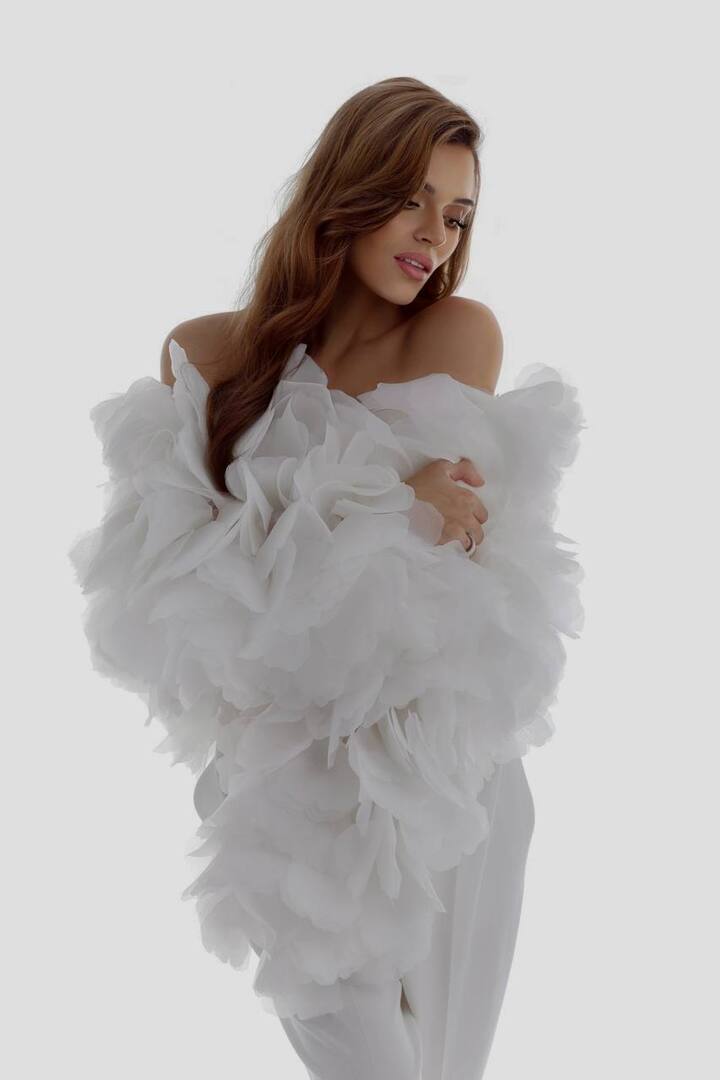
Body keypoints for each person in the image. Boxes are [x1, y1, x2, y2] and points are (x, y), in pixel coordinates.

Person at [68, 77, 584, 1079]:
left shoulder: (455, 335)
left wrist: (331, 528)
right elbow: (175, 596)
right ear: (349, 189)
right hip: (279, 781)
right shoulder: (203, 355)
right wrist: (393, 505)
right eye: (412, 199)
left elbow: (428, 589)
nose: (434, 234)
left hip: (442, 767)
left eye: (457, 214)